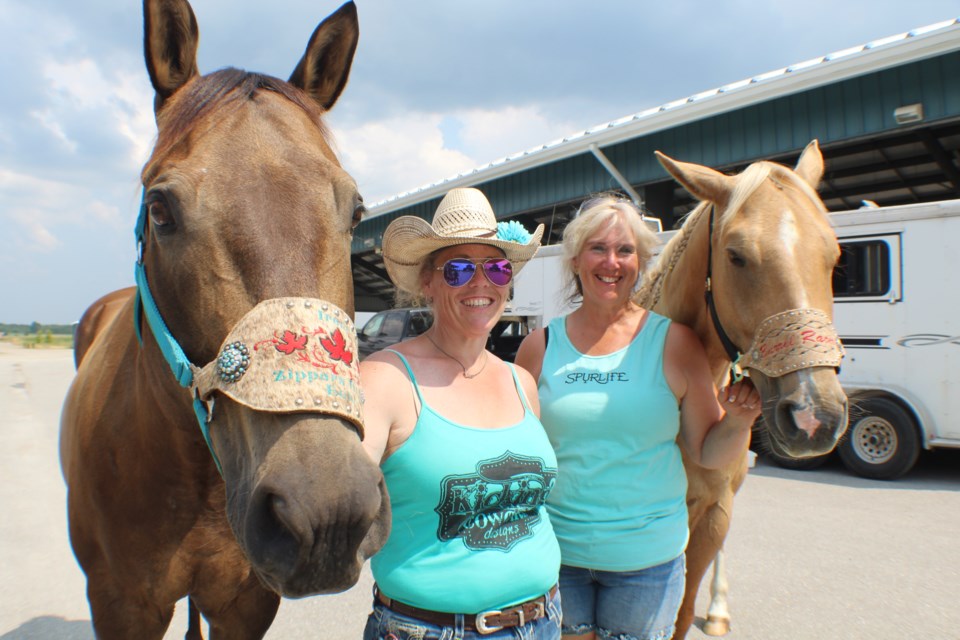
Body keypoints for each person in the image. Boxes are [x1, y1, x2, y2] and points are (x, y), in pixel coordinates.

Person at [513, 195, 761, 640]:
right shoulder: (540, 346)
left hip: (645, 565)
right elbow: (517, 451)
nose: (612, 262)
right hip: (557, 558)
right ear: (574, 259)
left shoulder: (676, 344)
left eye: (625, 250)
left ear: (641, 261)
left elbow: (707, 452)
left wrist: (739, 422)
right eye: (598, 248)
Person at [360, 187, 562, 639]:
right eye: (458, 269)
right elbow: (340, 483)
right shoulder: (385, 379)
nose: (480, 283)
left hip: (543, 621)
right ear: (427, 283)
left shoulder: (521, 382)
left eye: (495, 267)